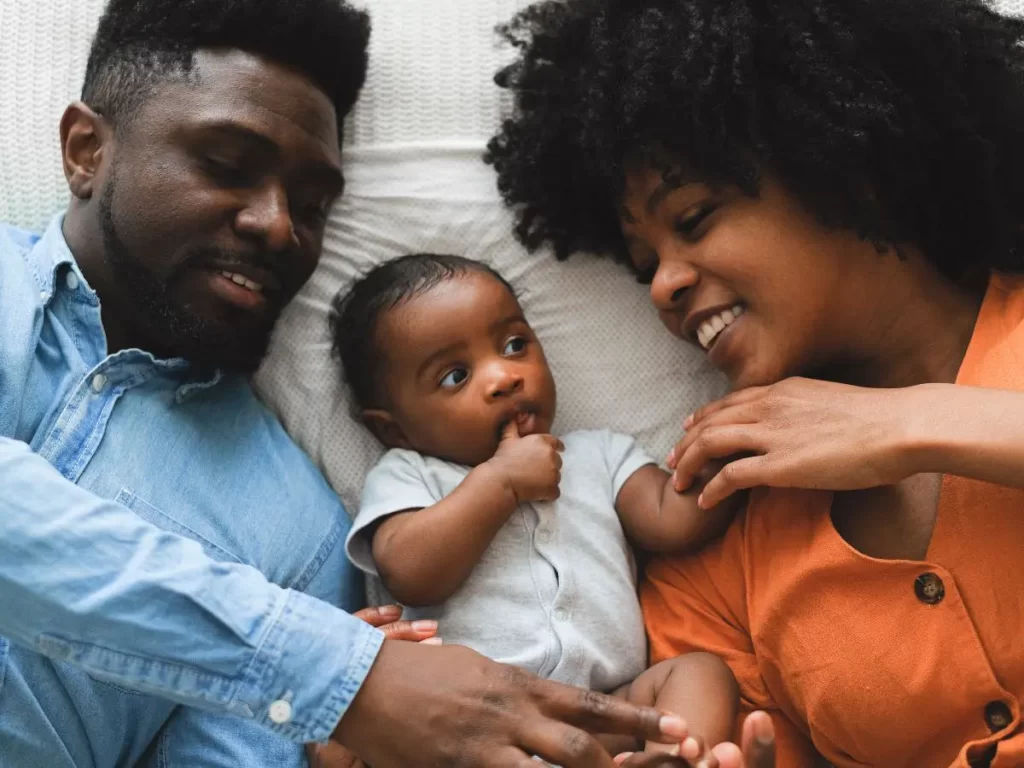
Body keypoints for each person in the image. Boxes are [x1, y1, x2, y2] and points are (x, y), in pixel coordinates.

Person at [0, 0, 693, 766]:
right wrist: (327, 670)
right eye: (226, 166)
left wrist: (318, 730)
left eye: (312, 206)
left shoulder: (300, 533)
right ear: (86, 150)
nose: (277, 226)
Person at [485, 0, 1024, 766]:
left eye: (695, 218)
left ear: (839, 159)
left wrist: (904, 427)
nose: (663, 286)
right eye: (644, 267)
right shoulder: (717, 528)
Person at [329, 253, 741, 762]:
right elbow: (411, 572)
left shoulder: (598, 454)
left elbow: (671, 520)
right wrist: (499, 482)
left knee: (700, 675)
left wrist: (716, 460)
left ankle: (666, 760)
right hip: (466, 729)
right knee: (346, 737)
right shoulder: (411, 475)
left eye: (514, 344)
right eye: (455, 376)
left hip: (602, 714)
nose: (503, 376)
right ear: (394, 429)